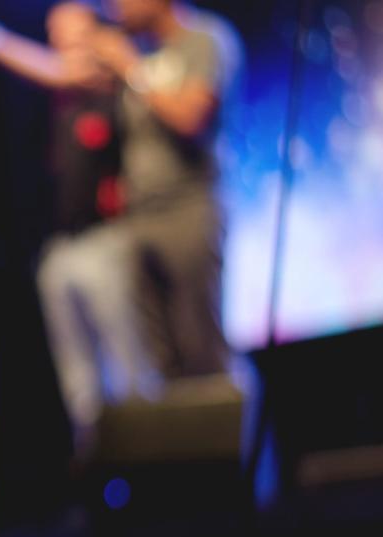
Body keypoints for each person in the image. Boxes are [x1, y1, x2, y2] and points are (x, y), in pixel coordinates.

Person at [0, 0, 160, 441]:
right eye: (54, 33)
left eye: (73, 32)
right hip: (59, 248)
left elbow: (62, 71)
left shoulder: (114, 77)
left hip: (108, 241)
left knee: (129, 369)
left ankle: (152, 456)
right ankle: (101, 466)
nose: (62, 42)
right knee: (80, 381)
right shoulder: (51, 98)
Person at [92, 0, 242, 379]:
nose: (115, 7)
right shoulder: (141, 51)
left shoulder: (203, 39)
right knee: (162, 359)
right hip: (140, 216)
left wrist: (131, 68)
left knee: (202, 346)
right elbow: (59, 73)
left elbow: (190, 118)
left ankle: (230, 419)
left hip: (188, 207)